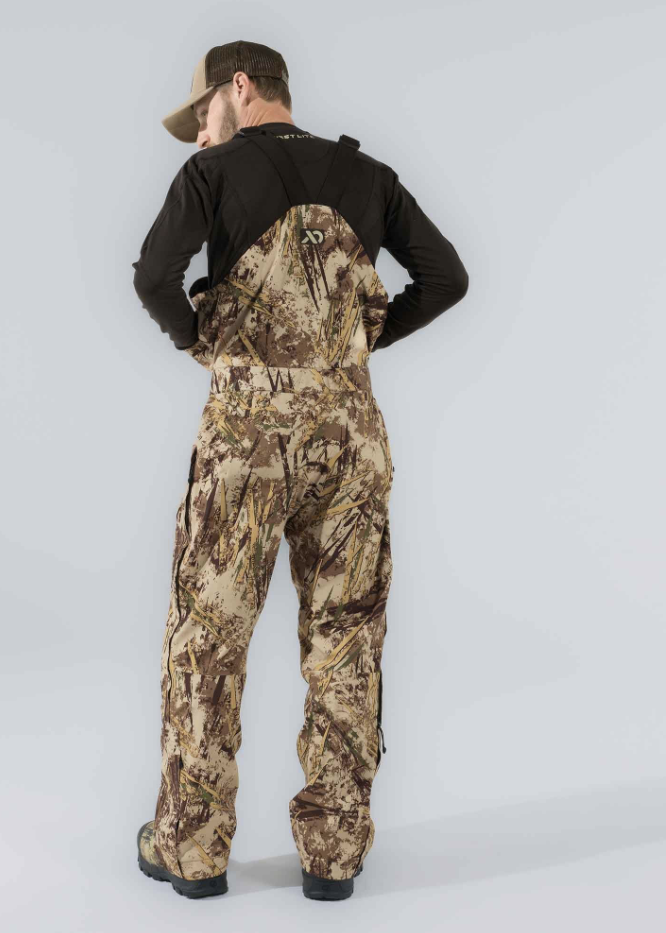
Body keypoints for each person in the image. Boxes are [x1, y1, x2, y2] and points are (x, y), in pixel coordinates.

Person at [131, 39, 469, 901]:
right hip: (348, 437)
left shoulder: (211, 175)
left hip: (245, 440)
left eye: (201, 114)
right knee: (346, 638)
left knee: (208, 635)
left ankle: (192, 849)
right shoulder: (370, 176)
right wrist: (358, 343)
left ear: (238, 88)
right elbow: (447, 277)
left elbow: (152, 276)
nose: (199, 134)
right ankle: (334, 853)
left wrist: (206, 341)